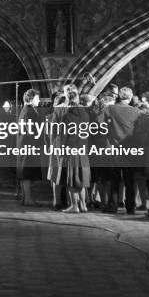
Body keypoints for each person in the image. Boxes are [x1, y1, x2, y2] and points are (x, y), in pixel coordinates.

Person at [105, 86, 140, 214]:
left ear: (119, 96)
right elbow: (138, 131)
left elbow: (102, 124)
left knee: (114, 179)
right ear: (130, 98)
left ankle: (113, 205)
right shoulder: (136, 111)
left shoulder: (111, 109)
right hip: (130, 149)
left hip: (114, 148)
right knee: (129, 180)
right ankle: (130, 207)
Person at [61, 85, 90, 213]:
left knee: (72, 180)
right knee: (81, 180)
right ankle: (83, 205)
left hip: (72, 149)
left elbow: (66, 135)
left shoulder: (67, 115)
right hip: (83, 149)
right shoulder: (85, 114)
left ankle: (74, 206)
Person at [17, 88, 46, 206]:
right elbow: (30, 130)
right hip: (29, 145)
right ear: (31, 99)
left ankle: (25, 198)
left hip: (25, 144)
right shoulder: (29, 111)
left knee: (25, 173)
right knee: (27, 173)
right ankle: (28, 199)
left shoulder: (26, 110)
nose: (39, 100)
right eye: (37, 98)